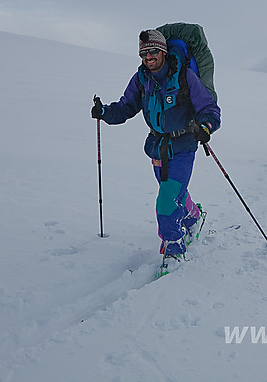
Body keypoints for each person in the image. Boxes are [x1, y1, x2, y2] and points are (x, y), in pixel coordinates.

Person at [91, 29, 221, 258]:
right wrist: (105, 112)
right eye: (143, 54)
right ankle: (193, 219)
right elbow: (125, 108)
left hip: (183, 145)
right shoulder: (142, 78)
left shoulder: (184, 76)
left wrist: (206, 127)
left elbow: (209, 108)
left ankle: (174, 251)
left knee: (166, 201)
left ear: (162, 51)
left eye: (152, 52)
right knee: (172, 192)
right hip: (157, 146)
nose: (148, 58)